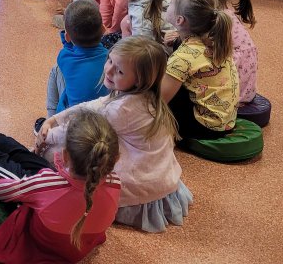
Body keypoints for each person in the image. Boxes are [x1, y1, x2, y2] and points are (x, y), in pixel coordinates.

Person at [37, 37, 192, 233]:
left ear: (140, 80)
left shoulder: (122, 110)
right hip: (161, 174)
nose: (109, 70)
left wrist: (47, 136)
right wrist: (55, 119)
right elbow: (94, 105)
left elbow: (80, 129)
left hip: (141, 182)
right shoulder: (144, 94)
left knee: (60, 152)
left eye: (119, 71)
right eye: (110, 60)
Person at [0, 103, 121, 263]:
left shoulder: (47, 184)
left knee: (4, 167)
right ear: (116, 159)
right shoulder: (115, 183)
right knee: (32, 161)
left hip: (34, 240)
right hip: (66, 230)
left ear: (65, 156)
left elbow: (0, 190)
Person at [161, 0, 239, 140]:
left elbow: (159, 100)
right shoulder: (214, 39)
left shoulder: (183, 57)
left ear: (180, 20)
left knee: (152, 88)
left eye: (170, 5)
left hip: (203, 127)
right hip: (225, 121)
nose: (167, 7)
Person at [186, 0, 259, 105]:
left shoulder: (216, 19)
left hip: (232, 92)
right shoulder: (224, 13)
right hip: (246, 89)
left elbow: (210, 52)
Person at [42, 0, 109, 124]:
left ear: (67, 36)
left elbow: (67, 46)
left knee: (56, 69)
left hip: (72, 125)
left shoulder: (65, 57)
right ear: (103, 29)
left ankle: (50, 121)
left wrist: (65, 35)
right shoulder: (109, 56)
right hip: (102, 124)